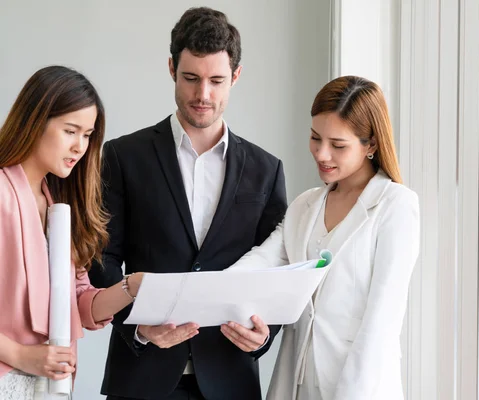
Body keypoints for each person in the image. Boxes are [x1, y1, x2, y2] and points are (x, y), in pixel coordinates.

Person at [87, 6, 287, 400]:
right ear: (171, 68)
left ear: (236, 76)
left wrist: (264, 334)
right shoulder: (123, 156)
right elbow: (102, 259)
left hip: (230, 378)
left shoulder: (267, 170)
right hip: (141, 376)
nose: (203, 95)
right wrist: (137, 326)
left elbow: (277, 267)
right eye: (191, 78)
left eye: (217, 80)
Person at [225, 76, 420, 400]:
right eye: (316, 138)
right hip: (296, 384)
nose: (322, 154)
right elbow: (264, 259)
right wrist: (207, 291)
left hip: (357, 386)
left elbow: (381, 323)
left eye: (338, 145)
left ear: (370, 144)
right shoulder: (306, 205)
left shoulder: (396, 206)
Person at [0, 66, 145, 398]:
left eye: (88, 134)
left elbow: (81, 303)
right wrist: (22, 355)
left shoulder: (60, 208)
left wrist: (134, 286)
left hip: (49, 385)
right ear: (35, 121)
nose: (80, 146)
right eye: (70, 131)